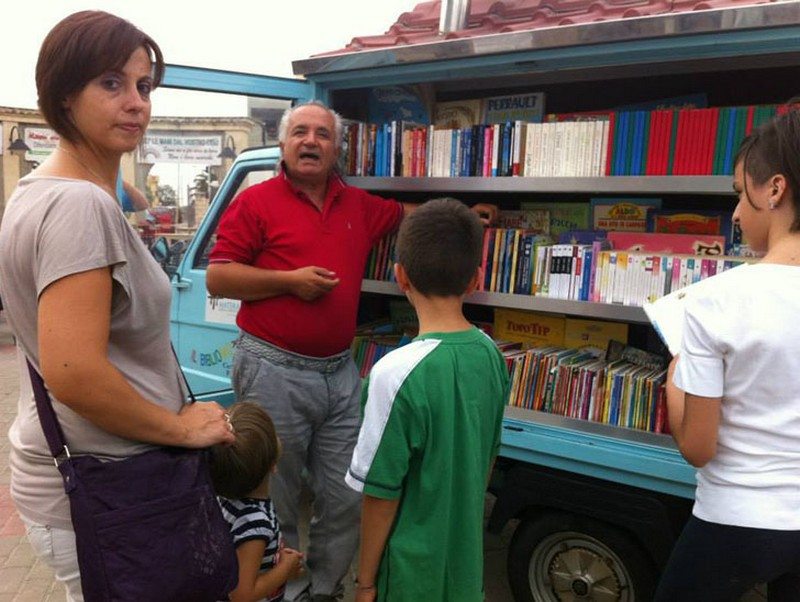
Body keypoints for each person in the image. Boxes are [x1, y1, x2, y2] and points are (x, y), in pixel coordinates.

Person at [206, 101, 497, 601]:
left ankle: (325, 588)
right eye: (300, 132)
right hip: (272, 367)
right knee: (275, 489)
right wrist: (288, 282)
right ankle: (284, 590)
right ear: (283, 143)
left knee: (346, 492)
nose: (310, 141)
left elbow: (412, 218)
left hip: (339, 372)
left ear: (337, 147)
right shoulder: (256, 202)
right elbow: (218, 275)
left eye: (322, 133)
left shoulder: (358, 205)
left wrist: (464, 218)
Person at [0, 11, 235, 601]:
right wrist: (180, 429)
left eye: (143, 86)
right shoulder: (81, 206)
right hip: (112, 488)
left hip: (80, 476)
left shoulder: (35, 192)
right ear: (63, 94)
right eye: (111, 83)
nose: (136, 103)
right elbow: (74, 372)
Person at [654, 107, 800, 601]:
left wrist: (678, 373)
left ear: (773, 190)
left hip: (737, 519)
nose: (736, 212)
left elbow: (698, 447)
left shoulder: (712, 300)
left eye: (741, 192)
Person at [345, 198, 510, 602]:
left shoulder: (393, 373)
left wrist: (365, 582)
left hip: (409, 576)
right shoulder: (492, 356)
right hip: (465, 569)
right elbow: (486, 457)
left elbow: (380, 493)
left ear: (400, 276)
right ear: (476, 279)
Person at [209, 402, 305, 602]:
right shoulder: (254, 523)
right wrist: (285, 569)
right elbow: (242, 595)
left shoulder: (223, 498)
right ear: (273, 465)